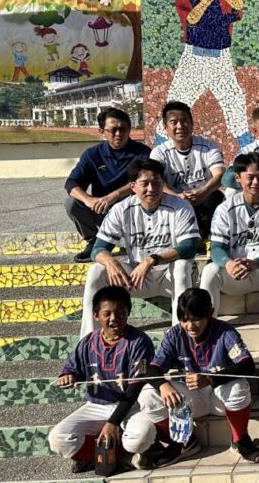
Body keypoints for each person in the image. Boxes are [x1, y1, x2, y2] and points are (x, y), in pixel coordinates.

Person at [133, 289, 259, 467]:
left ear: (210, 312)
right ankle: (184, 441)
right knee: (148, 394)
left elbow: (248, 365)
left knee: (239, 386)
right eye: (184, 320)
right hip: (190, 399)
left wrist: (210, 379)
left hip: (219, 396)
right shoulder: (175, 334)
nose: (190, 326)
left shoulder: (225, 331)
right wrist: (163, 385)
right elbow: (152, 368)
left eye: (196, 319)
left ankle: (240, 440)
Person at [79, 158, 198, 338]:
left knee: (181, 266)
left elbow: (189, 247)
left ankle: (180, 337)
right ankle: (89, 340)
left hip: (169, 276)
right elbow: (98, 249)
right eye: (145, 183)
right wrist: (110, 261)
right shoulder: (121, 209)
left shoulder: (180, 207)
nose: (151, 188)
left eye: (157, 182)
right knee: (97, 270)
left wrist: (152, 260)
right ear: (133, 186)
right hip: (136, 278)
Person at [200, 152, 259, 364]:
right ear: (237, 178)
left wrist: (256, 263)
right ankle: (207, 337)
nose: (256, 182)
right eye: (250, 177)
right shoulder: (225, 208)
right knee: (209, 270)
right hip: (236, 273)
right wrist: (227, 263)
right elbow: (216, 248)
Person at [48, 286, 155, 473]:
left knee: (140, 438)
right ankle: (119, 457)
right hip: (97, 405)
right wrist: (68, 376)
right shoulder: (88, 342)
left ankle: (110, 454)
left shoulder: (139, 341)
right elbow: (72, 368)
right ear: (96, 315)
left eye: (120, 312)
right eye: (107, 314)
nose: (114, 318)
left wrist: (113, 423)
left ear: (128, 313)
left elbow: (135, 387)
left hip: (131, 406)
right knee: (58, 438)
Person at [162, 0, 250, 145]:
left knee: (235, 105)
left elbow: (238, 4)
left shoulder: (223, 0)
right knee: (174, 108)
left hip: (221, 60)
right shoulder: (183, 0)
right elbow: (193, 19)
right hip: (193, 59)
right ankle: (157, 155)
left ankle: (248, 152)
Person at [64, 108, 151, 262]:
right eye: (113, 130)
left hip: (133, 211)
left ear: (129, 129)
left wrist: (115, 195)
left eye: (123, 129)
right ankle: (93, 241)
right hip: (103, 210)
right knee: (72, 202)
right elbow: (71, 183)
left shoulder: (143, 153)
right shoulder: (92, 154)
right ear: (102, 131)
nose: (118, 134)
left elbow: (148, 181)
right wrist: (88, 200)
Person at [149, 100, 225, 239]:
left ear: (192, 124)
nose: (180, 126)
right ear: (165, 128)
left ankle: (212, 239)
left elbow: (219, 175)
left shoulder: (209, 146)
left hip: (204, 196)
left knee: (216, 196)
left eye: (184, 121)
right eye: (174, 122)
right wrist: (177, 196)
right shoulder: (159, 152)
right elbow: (156, 180)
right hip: (174, 199)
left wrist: (203, 191)